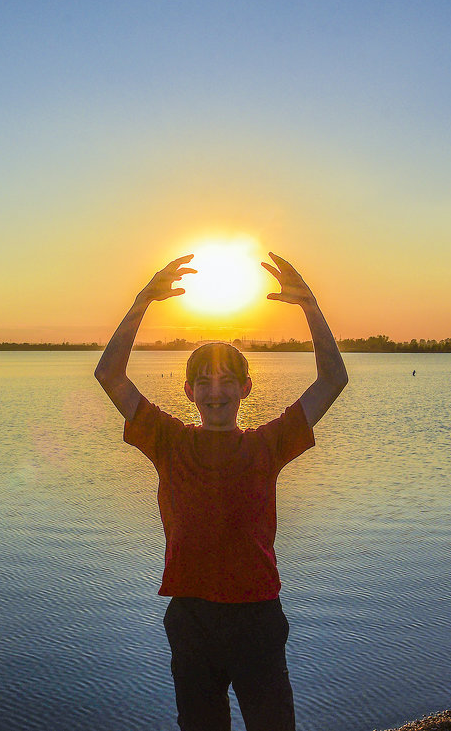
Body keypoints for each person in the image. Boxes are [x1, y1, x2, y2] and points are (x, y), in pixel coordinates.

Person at [94, 252, 348, 731]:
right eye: (204, 383)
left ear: (246, 389)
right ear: (188, 391)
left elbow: (333, 379)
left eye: (227, 382)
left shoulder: (268, 445)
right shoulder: (167, 440)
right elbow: (109, 374)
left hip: (257, 618)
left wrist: (310, 305)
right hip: (191, 620)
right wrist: (142, 301)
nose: (216, 393)